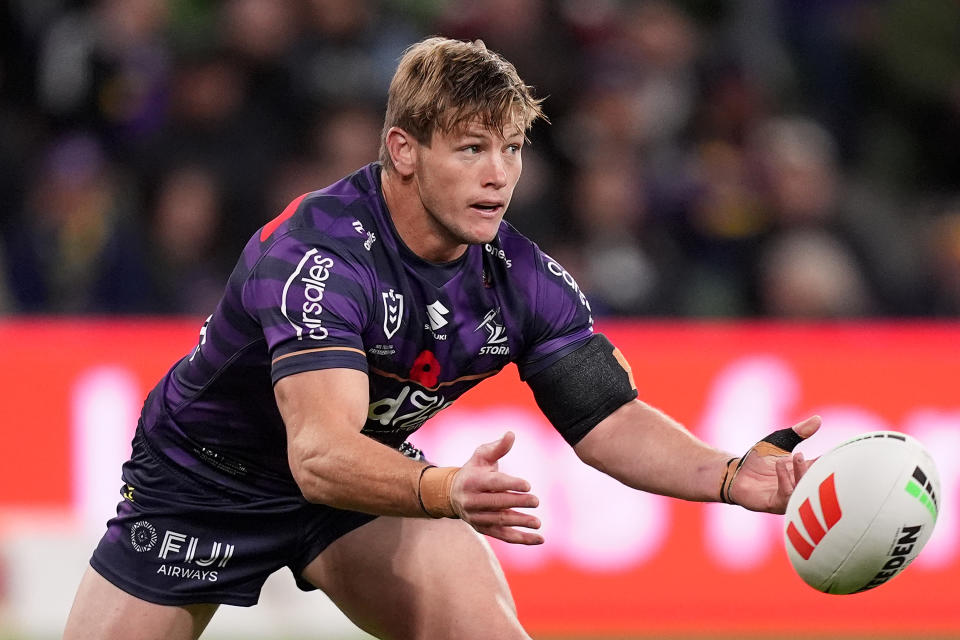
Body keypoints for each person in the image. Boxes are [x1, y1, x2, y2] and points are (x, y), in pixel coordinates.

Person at [63, 37, 821, 640]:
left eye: (513, 149)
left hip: (365, 485)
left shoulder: (520, 277)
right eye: (471, 149)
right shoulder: (317, 256)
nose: (500, 176)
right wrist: (446, 489)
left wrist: (728, 475)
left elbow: (607, 418)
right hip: (202, 485)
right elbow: (319, 451)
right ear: (403, 150)